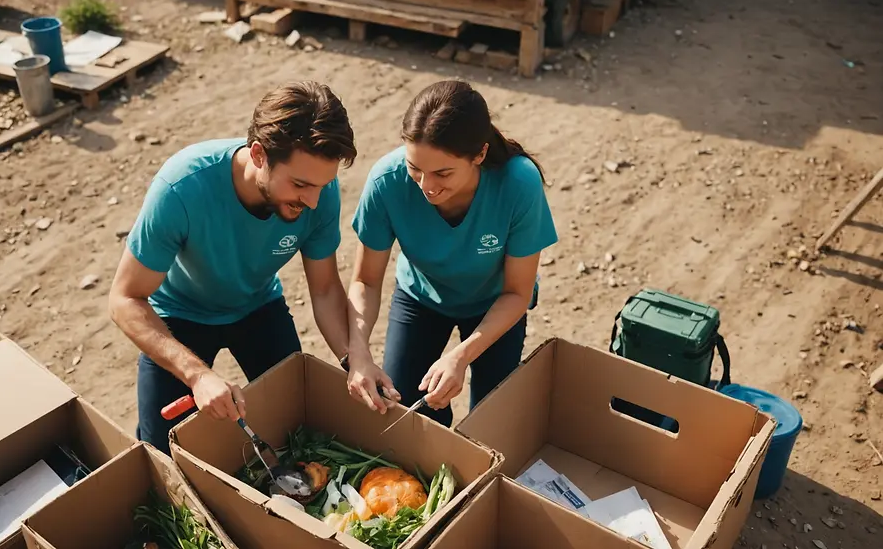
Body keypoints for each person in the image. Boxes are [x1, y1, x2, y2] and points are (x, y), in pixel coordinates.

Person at [109, 81, 357, 454]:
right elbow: (124, 299)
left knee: (299, 430)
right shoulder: (181, 188)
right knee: (161, 450)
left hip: (258, 307)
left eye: (323, 184)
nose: (313, 200)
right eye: (301, 184)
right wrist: (198, 375)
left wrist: (354, 361)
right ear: (259, 154)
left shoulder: (318, 193)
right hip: (179, 314)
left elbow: (324, 289)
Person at [345, 80, 558, 427]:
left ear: (479, 154)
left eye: (443, 173)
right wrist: (358, 351)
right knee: (408, 414)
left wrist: (460, 357)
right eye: (415, 169)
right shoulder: (386, 182)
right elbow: (365, 280)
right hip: (421, 298)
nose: (426, 186)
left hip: (495, 304)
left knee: (492, 422)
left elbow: (517, 292)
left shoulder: (519, 183)